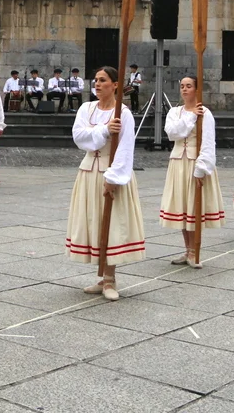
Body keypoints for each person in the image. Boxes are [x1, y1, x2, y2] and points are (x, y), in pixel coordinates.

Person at [67, 66, 145, 301]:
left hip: (111, 172)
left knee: (111, 224)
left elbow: (126, 147)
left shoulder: (124, 113)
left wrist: (114, 178)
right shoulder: (86, 108)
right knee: (94, 221)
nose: (97, 84)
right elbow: (78, 136)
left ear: (115, 85)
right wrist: (103, 130)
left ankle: (110, 278)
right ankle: (101, 276)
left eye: (103, 80)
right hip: (89, 171)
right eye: (96, 80)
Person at [160, 75, 224, 268]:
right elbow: (172, 133)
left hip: (195, 163)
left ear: (196, 89)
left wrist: (201, 168)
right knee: (181, 207)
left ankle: (195, 251)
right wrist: (190, 117)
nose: (184, 89)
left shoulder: (205, 113)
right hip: (178, 163)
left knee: (194, 207)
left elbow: (208, 142)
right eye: (182, 86)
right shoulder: (175, 112)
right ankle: (187, 249)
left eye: (189, 86)